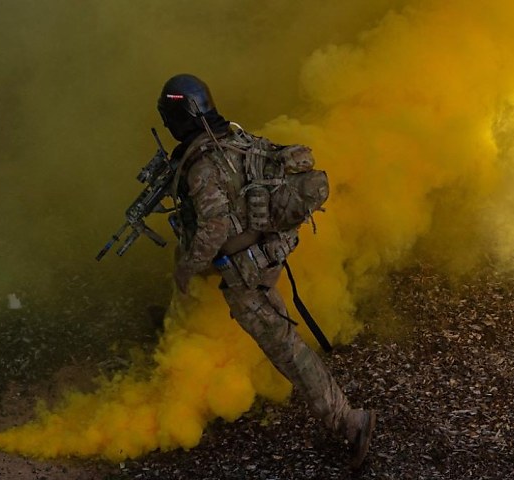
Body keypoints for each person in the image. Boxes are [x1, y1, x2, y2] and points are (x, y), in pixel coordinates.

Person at [158, 73, 376, 469]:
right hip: (267, 252)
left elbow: (214, 228)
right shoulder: (236, 138)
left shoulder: (203, 166)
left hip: (247, 271)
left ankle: (349, 420)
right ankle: (184, 364)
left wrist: (188, 269)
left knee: (285, 348)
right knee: (272, 327)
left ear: (181, 116)